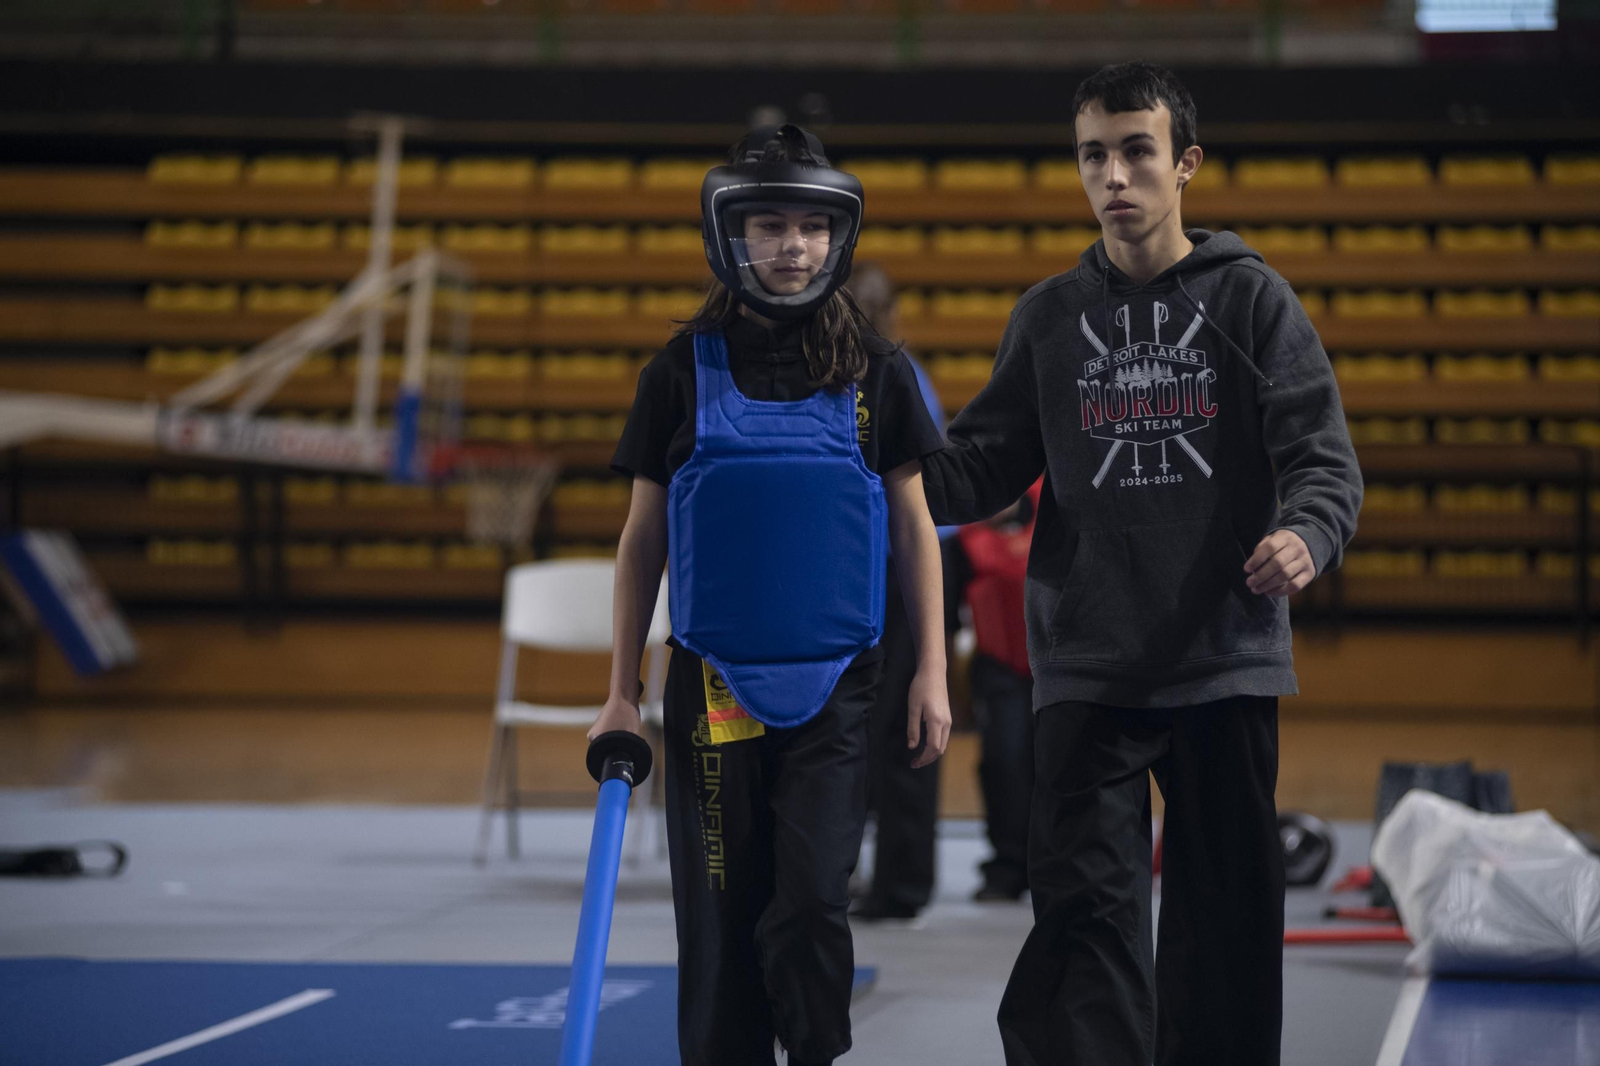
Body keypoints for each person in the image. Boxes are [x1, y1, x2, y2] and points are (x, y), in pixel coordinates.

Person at [918, 63, 1363, 1066]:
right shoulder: (1046, 317)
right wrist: (875, 455)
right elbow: (980, 467)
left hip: (1224, 655)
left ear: (1184, 164)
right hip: (1085, 661)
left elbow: (1322, 459)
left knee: (1227, 931)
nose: (1113, 174)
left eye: (1135, 151)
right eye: (1093, 154)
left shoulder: (1252, 302)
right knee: (1084, 920)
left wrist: (1307, 531)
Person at [589, 125, 952, 1066]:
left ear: (839, 239)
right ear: (727, 237)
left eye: (810, 227)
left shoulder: (880, 373)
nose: (792, 245)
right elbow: (641, 544)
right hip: (711, 695)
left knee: (811, 902)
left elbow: (916, 529)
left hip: (839, 694)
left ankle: (816, 1056)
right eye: (769, 225)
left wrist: (935, 675)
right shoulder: (676, 374)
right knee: (718, 918)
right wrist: (620, 689)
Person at [843, 262, 961, 923]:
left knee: (905, 728)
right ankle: (882, 876)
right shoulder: (869, 370)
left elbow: (923, 500)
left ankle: (902, 884)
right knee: (873, 731)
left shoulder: (895, 376)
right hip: (870, 571)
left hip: (904, 571)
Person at [956, 479, 1041, 903]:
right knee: (1003, 763)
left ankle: (1055, 864)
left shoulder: (1056, 508)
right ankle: (1007, 866)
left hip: (1055, 665)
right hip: (998, 668)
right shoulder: (964, 538)